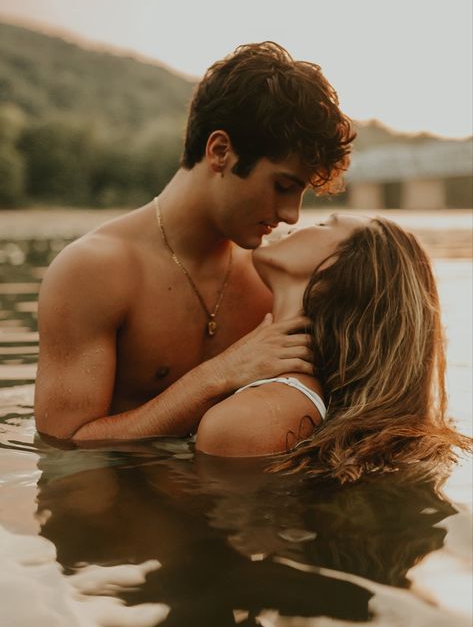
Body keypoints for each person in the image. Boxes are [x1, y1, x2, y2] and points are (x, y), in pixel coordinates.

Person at [34, 41, 354, 442]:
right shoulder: (95, 270)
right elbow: (64, 443)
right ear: (220, 151)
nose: (292, 214)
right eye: (283, 186)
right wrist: (218, 375)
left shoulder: (273, 280)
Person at [196, 214, 472, 483]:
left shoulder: (252, 417)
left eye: (322, 224)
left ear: (335, 265)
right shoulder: (286, 404)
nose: (294, 221)